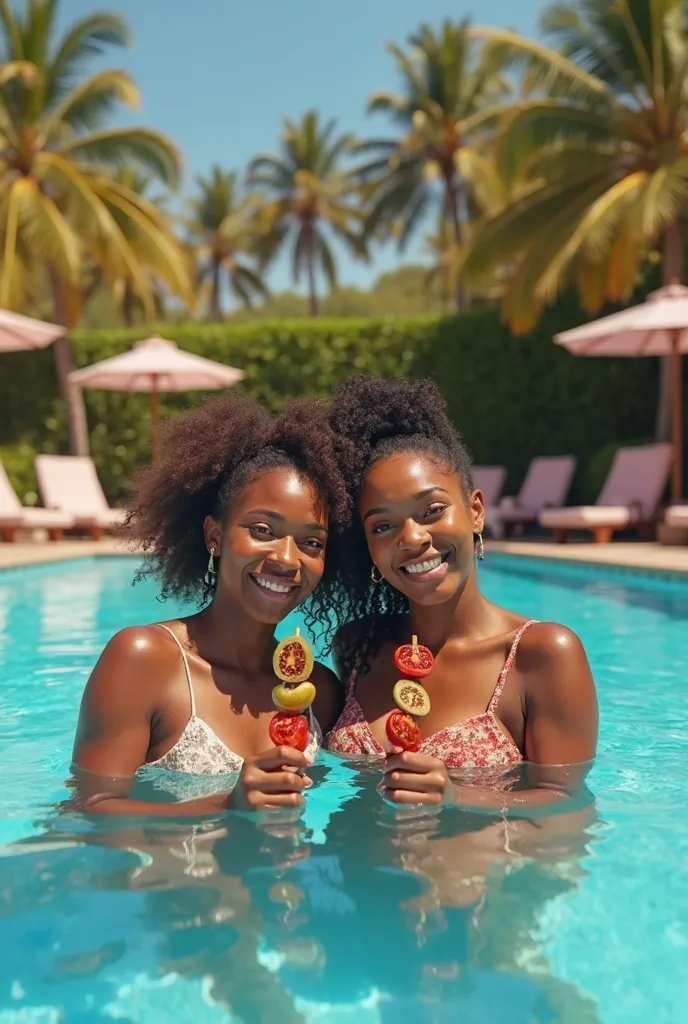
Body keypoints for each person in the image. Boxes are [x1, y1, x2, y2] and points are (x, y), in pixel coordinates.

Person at [325, 375, 598, 808]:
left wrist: (457, 796)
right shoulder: (358, 647)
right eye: (383, 526)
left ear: (475, 512)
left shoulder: (542, 654)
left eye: (432, 510)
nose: (412, 538)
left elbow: (567, 806)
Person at [72, 391, 349, 816]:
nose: (287, 558)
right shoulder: (144, 661)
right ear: (214, 537)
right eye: (263, 529)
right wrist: (225, 805)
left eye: (311, 542)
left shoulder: (319, 693)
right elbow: (87, 811)